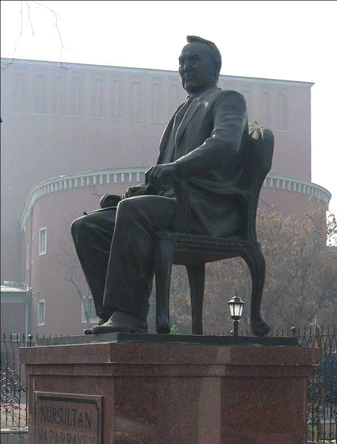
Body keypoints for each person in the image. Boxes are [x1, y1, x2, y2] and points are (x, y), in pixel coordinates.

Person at [71, 35, 249, 334]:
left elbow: (225, 144)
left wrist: (175, 167)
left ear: (215, 67)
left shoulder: (227, 100)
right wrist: (137, 193)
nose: (185, 67)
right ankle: (112, 314)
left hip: (204, 207)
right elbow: (162, 176)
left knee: (134, 212)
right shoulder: (181, 112)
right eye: (181, 61)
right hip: (170, 202)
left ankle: (130, 313)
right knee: (87, 227)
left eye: (194, 60)